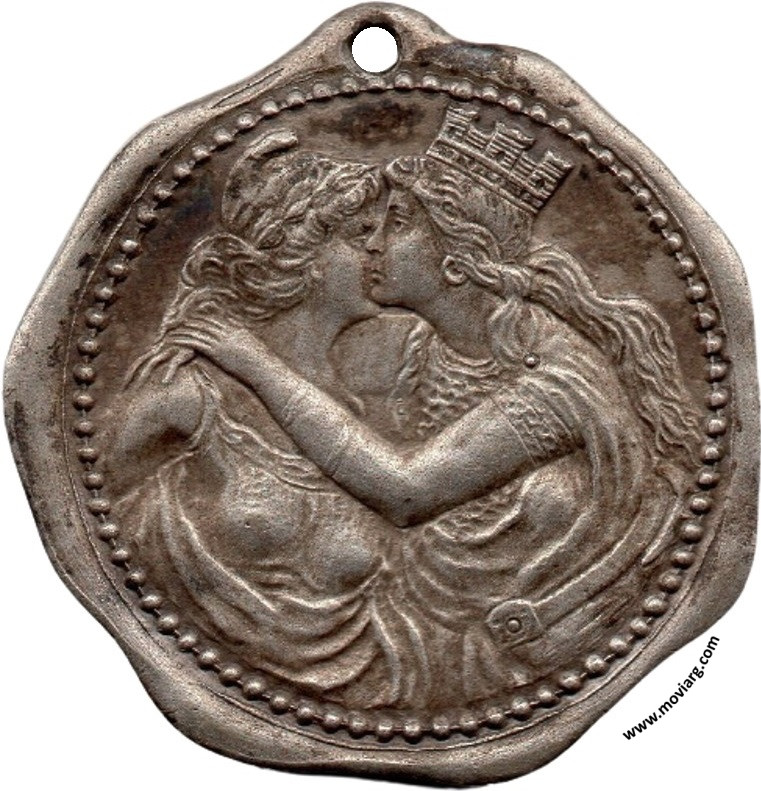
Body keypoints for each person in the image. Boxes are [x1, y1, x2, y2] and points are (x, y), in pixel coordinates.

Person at [171, 107, 702, 704]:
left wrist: (251, 362)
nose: (373, 243)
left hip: (531, 656)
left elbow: (405, 494)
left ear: (457, 256)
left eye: (397, 223)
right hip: (426, 641)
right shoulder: (428, 348)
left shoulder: (555, 381)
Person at [107, 130, 431, 710]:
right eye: (359, 234)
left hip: (373, 694)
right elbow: (89, 500)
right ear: (303, 256)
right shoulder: (190, 388)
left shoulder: (368, 411)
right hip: (205, 674)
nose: (378, 248)